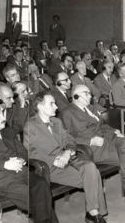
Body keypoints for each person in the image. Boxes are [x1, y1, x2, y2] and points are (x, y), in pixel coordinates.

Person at [61, 85, 125, 207]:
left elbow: (102, 125)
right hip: (92, 148)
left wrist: (115, 131)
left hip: (107, 138)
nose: (90, 96)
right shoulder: (67, 113)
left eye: (89, 93)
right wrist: (89, 141)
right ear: (76, 96)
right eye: (86, 93)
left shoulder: (90, 108)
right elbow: (66, 138)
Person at [24, 91, 106, 223]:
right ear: (40, 106)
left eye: (55, 103)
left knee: (90, 167)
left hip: (68, 159)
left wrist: (67, 153)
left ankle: (92, 213)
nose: (56, 107)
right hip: (50, 167)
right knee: (94, 174)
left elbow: (70, 140)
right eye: (51, 103)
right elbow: (29, 153)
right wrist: (54, 160)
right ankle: (94, 214)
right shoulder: (31, 126)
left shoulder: (56, 122)